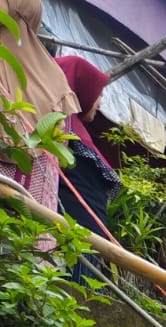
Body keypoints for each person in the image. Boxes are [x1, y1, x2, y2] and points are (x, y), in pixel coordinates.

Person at [54, 56, 118, 241]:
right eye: (99, 94)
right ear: (83, 87)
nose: (100, 102)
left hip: (86, 241)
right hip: (68, 238)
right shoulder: (60, 128)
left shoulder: (76, 132)